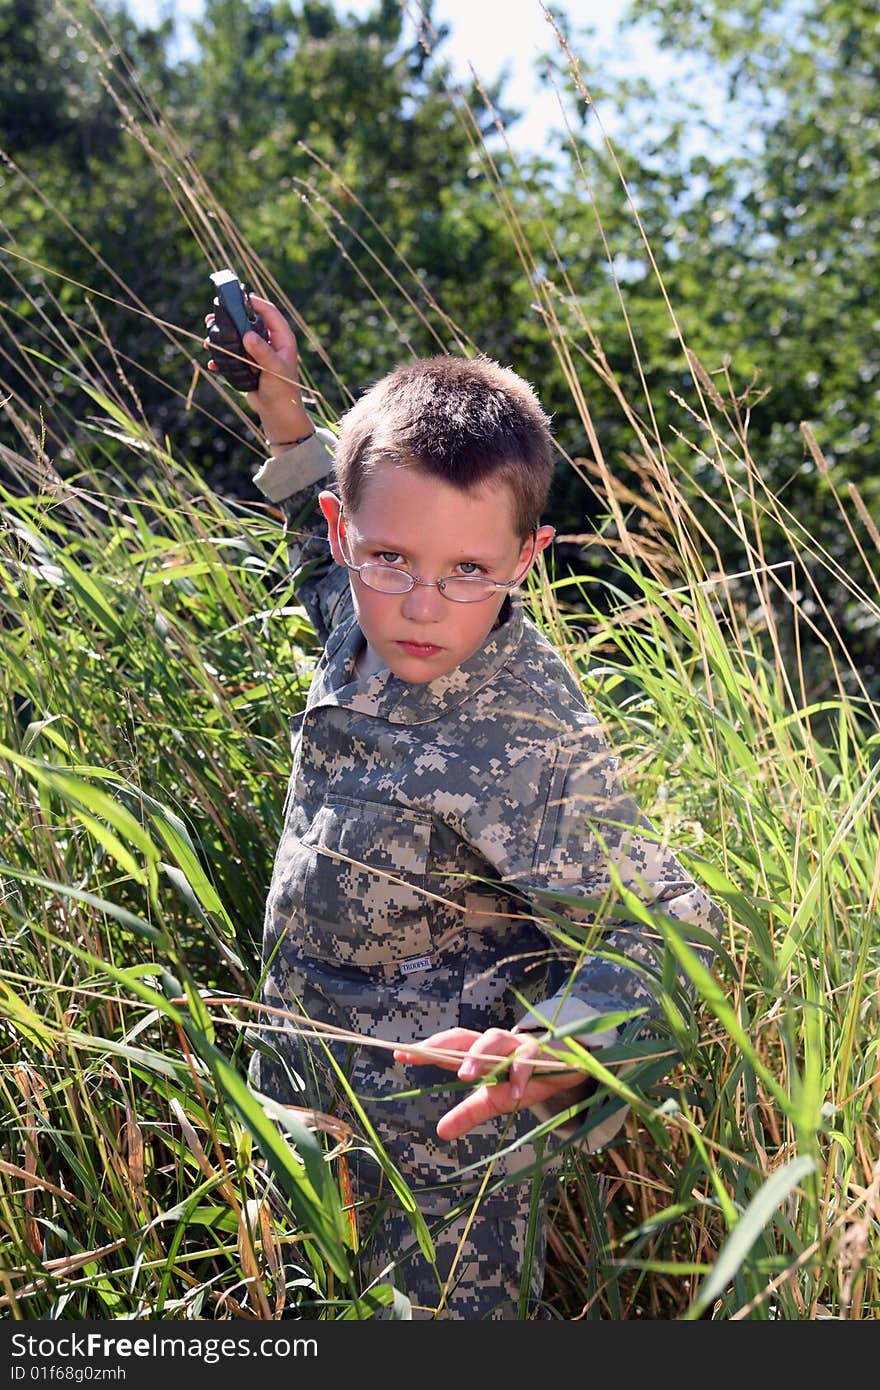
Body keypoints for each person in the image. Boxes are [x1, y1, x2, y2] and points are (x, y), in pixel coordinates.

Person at [204, 295, 724, 1319]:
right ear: (347, 534)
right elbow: (322, 568)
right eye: (390, 557)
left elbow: (663, 922)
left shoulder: (524, 730)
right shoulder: (361, 616)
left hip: (440, 1172)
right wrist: (280, 409)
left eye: (469, 572)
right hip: (302, 1099)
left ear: (525, 559)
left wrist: (570, 1046)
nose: (423, 606)